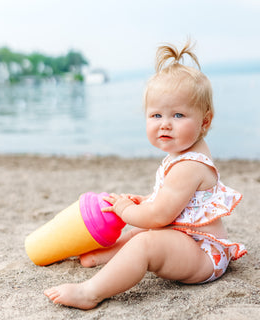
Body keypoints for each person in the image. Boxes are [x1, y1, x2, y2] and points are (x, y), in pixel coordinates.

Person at [44, 40, 247, 310]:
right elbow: (172, 201)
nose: (165, 123)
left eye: (178, 115)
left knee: (146, 242)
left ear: (204, 121)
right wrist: (144, 200)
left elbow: (160, 216)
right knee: (141, 228)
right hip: (184, 239)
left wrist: (127, 209)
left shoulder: (190, 165)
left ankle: (90, 292)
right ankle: (107, 256)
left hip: (203, 255)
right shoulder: (182, 152)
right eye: (156, 115)